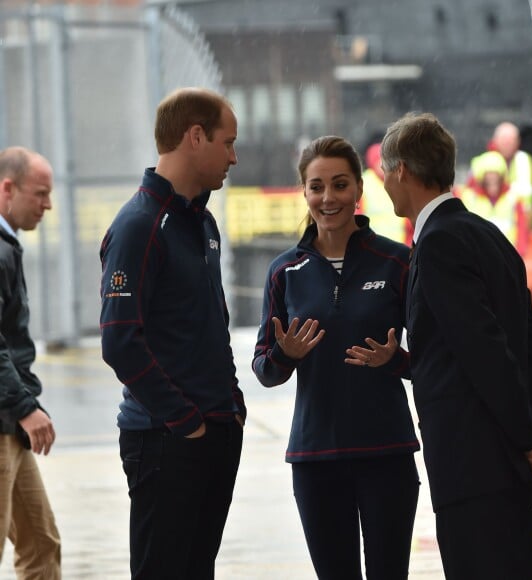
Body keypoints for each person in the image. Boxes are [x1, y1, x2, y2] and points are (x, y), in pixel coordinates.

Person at [380, 112, 532, 580]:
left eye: (386, 170)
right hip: (508, 463)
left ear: (402, 169)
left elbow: (482, 350)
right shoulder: (487, 234)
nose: (383, 181)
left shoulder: (438, 243)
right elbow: (531, 347)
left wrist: (528, 440)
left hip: (473, 465)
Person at [252, 135, 420, 579]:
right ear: (304, 192)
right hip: (316, 459)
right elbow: (264, 369)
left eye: (340, 184)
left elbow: (435, 360)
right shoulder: (284, 272)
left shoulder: (398, 262)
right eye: (317, 186)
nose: (329, 198)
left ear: (359, 189)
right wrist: (285, 356)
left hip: (387, 453)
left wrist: (395, 360)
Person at [100, 87, 246, 580]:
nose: (234, 156)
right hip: (167, 439)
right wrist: (184, 420)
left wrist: (231, 406)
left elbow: (212, 324)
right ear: (195, 136)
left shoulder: (202, 222)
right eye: (227, 143)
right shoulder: (140, 225)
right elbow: (120, 341)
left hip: (213, 430)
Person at [0, 147, 61, 578]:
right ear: (7, 189)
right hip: (7, 417)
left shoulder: (7, 246)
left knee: (41, 544)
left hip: (9, 423)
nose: (48, 205)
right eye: (40, 193)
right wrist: (26, 407)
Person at [459, 150, 529, 257]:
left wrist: (520, 253)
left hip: (506, 255)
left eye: (496, 175)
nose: (492, 178)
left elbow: (522, 226)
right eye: (488, 175)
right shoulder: (468, 196)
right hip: (475, 256)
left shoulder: (513, 197)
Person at [469, 121, 532, 215]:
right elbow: (472, 192)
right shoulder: (483, 162)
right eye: (504, 140)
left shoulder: (524, 160)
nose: (508, 144)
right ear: (495, 140)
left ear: (518, 142)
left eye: (512, 140)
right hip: (491, 215)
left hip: (521, 217)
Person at [358, 142, 413, 244]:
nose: (384, 166)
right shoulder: (364, 184)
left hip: (400, 246)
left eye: (388, 162)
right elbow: (356, 217)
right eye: (380, 161)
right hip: (374, 247)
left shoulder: (400, 181)